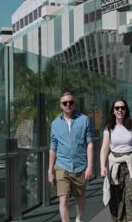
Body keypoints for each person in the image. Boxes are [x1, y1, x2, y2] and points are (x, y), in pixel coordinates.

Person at [100, 98, 132, 222]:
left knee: (131, 194)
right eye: (117, 108)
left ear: (126, 110)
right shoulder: (109, 127)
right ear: (113, 111)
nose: (120, 110)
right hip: (115, 165)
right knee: (117, 198)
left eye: (122, 108)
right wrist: (102, 166)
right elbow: (104, 149)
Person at [48, 92, 94, 222]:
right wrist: (50, 171)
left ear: (74, 104)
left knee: (80, 198)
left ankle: (79, 218)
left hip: (80, 166)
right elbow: (53, 148)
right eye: (65, 103)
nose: (68, 105)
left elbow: (90, 143)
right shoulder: (55, 124)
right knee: (63, 199)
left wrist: (90, 166)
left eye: (71, 102)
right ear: (60, 105)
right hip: (62, 165)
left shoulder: (84, 119)